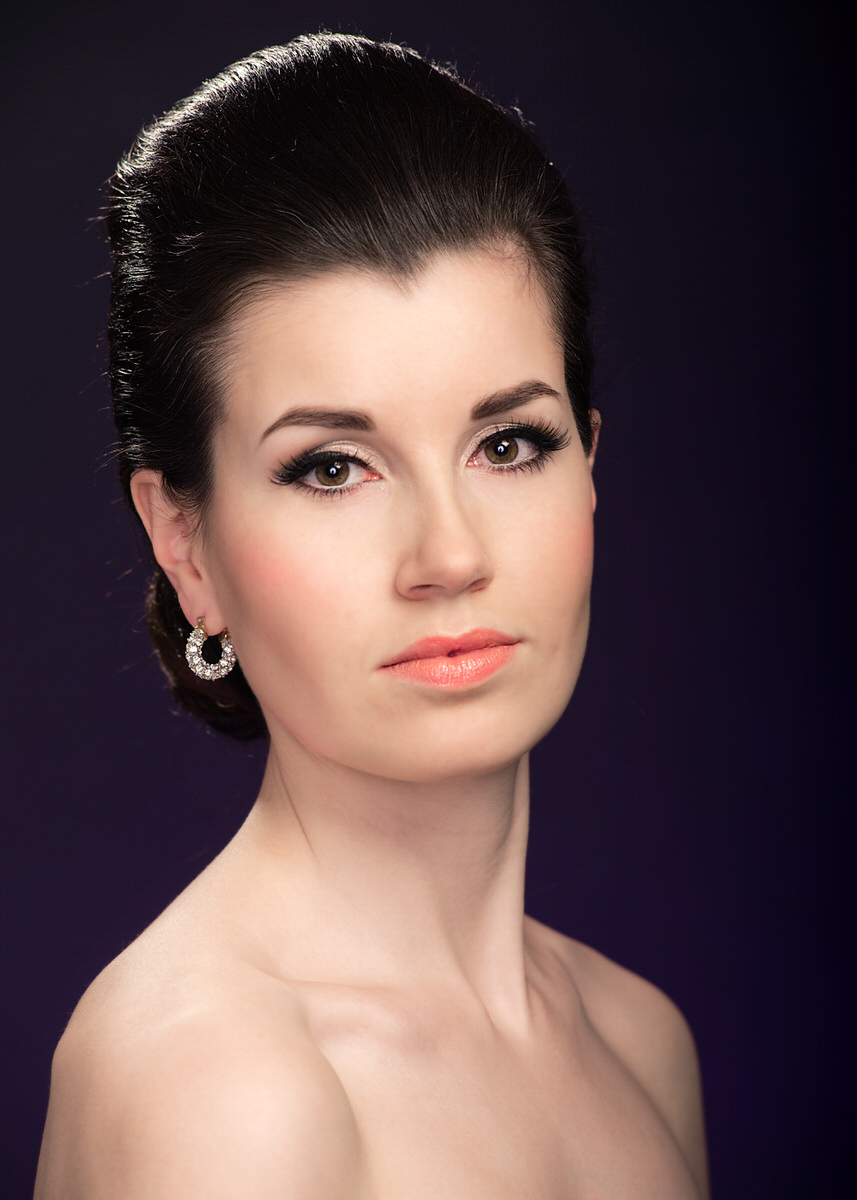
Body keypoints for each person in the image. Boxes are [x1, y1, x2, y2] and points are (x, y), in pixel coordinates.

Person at [35, 32, 708, 1198]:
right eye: (333, 468)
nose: (449, 556)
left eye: (509, 444)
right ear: (183, 542)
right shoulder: (220, 1092)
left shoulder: (640, 1043)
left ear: (588, 464)